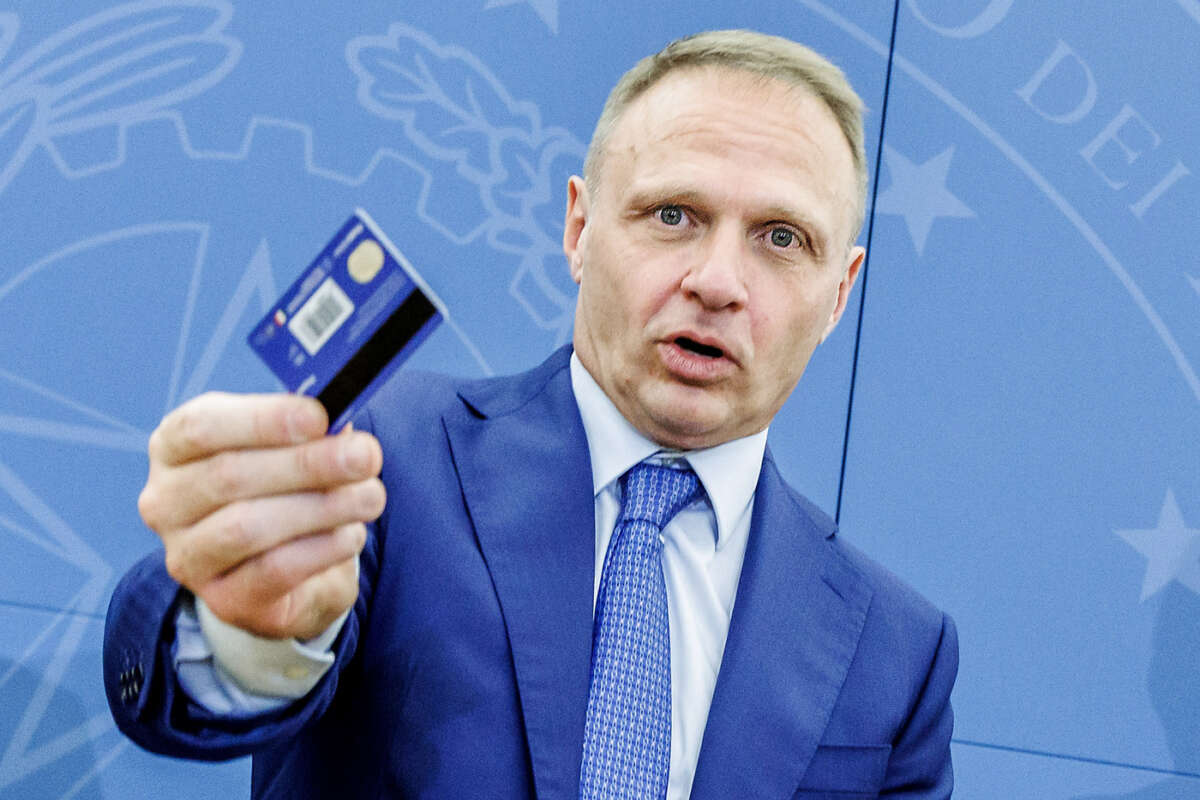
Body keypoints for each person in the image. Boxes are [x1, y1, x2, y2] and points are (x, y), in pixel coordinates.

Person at [104, 29, 957, 799]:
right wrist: (253, 633)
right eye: (673, 215)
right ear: (579, 228)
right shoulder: (387, 454)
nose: (717, 282)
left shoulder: (896, 653)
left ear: (838, 293)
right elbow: (193, 680)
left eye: (781, 238)